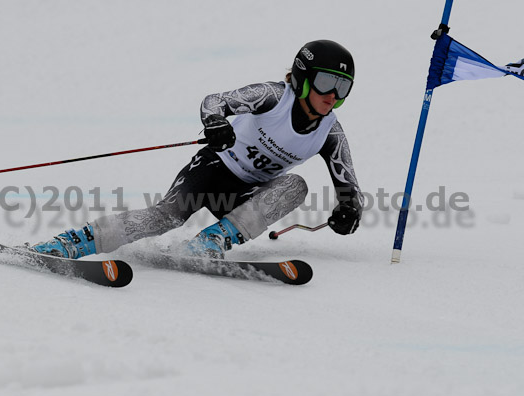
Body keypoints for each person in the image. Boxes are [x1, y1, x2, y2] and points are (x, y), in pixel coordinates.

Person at [30, 40, 364, 259]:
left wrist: (350, 209)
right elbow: (215, 101)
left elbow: (349, 185)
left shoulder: (330, 133)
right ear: (303, 78)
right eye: (326, 82)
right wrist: (216, 122)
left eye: (342, 86)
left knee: (297, 186)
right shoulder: (273, 96)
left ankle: (210, 242)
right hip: (212, 169)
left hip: (245, 196)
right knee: (165, 218)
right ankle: (70, 243)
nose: (333, 94)